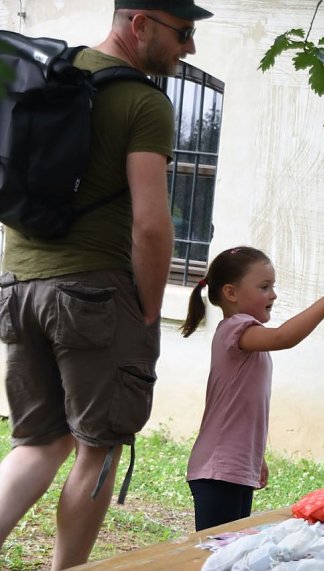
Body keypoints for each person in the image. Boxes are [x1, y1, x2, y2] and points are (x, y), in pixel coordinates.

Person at [0, 1, 212, 568]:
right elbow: (151, 224)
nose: (190, 46)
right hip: (91, 292)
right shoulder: (143, 101)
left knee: (39, 443)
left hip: (16, 285)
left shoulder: (51, 73)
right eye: (183, 32)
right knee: (99, 448)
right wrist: (149, 307)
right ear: (139, 23)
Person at [180, 246, 324, 531]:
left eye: (272, 287)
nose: (273, 295)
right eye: (264, 287)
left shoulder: (247, 337)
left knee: (233, 548)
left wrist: (254, 456)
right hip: (218, 469)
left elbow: (242, 406)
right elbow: (284, 337)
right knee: (218, 550)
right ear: (231, 293)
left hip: (234, 467)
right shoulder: (235, 328)